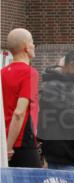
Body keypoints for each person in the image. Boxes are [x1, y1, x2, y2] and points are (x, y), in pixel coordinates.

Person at [1, 28, 41, 167]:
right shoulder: (29, 73)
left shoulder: (2, 73)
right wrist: (8, 147)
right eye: (32, 42)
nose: (34, 46)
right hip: (21, 143)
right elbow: (19, 113)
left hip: (4, 139)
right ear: (25, 47)